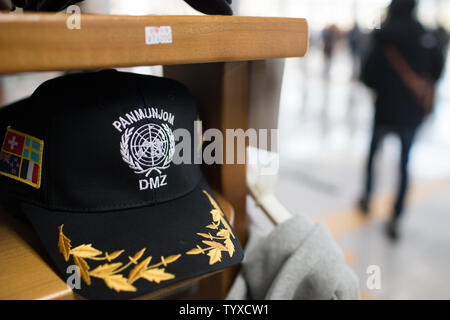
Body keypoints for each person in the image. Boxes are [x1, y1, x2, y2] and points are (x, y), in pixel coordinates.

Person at [358, 0, 445, 240]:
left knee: (374, 155)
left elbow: (367, 75)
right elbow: (437, 71)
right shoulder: (426, 35)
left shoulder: (385, 35)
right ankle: (396, 217)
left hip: (384, 110)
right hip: (411, 114)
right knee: (405, 164)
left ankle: (367, 198)